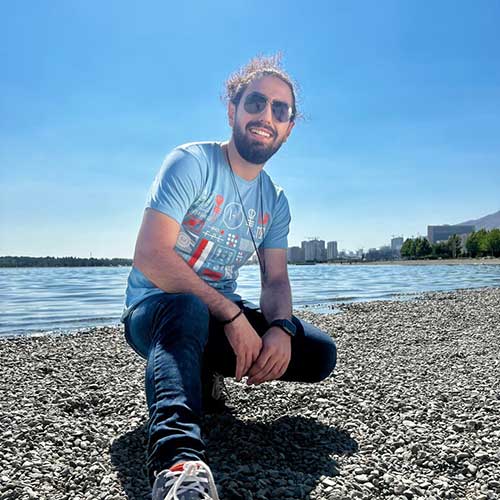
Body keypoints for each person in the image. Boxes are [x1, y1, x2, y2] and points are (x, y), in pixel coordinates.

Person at [121, 55, 337, 500]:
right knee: (186, 308)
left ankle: (202, 371)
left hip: (219, 316)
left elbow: (275, 281)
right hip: (157, 311)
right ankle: (177, 464)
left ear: (289, 127)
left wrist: (280, 328)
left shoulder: (274, 200)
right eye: (256, 103)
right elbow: (151, 255)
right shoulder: (192, 162)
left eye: (281, 110)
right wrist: (232, 315)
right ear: (232, 109)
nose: (267, 116)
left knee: (318, 352)